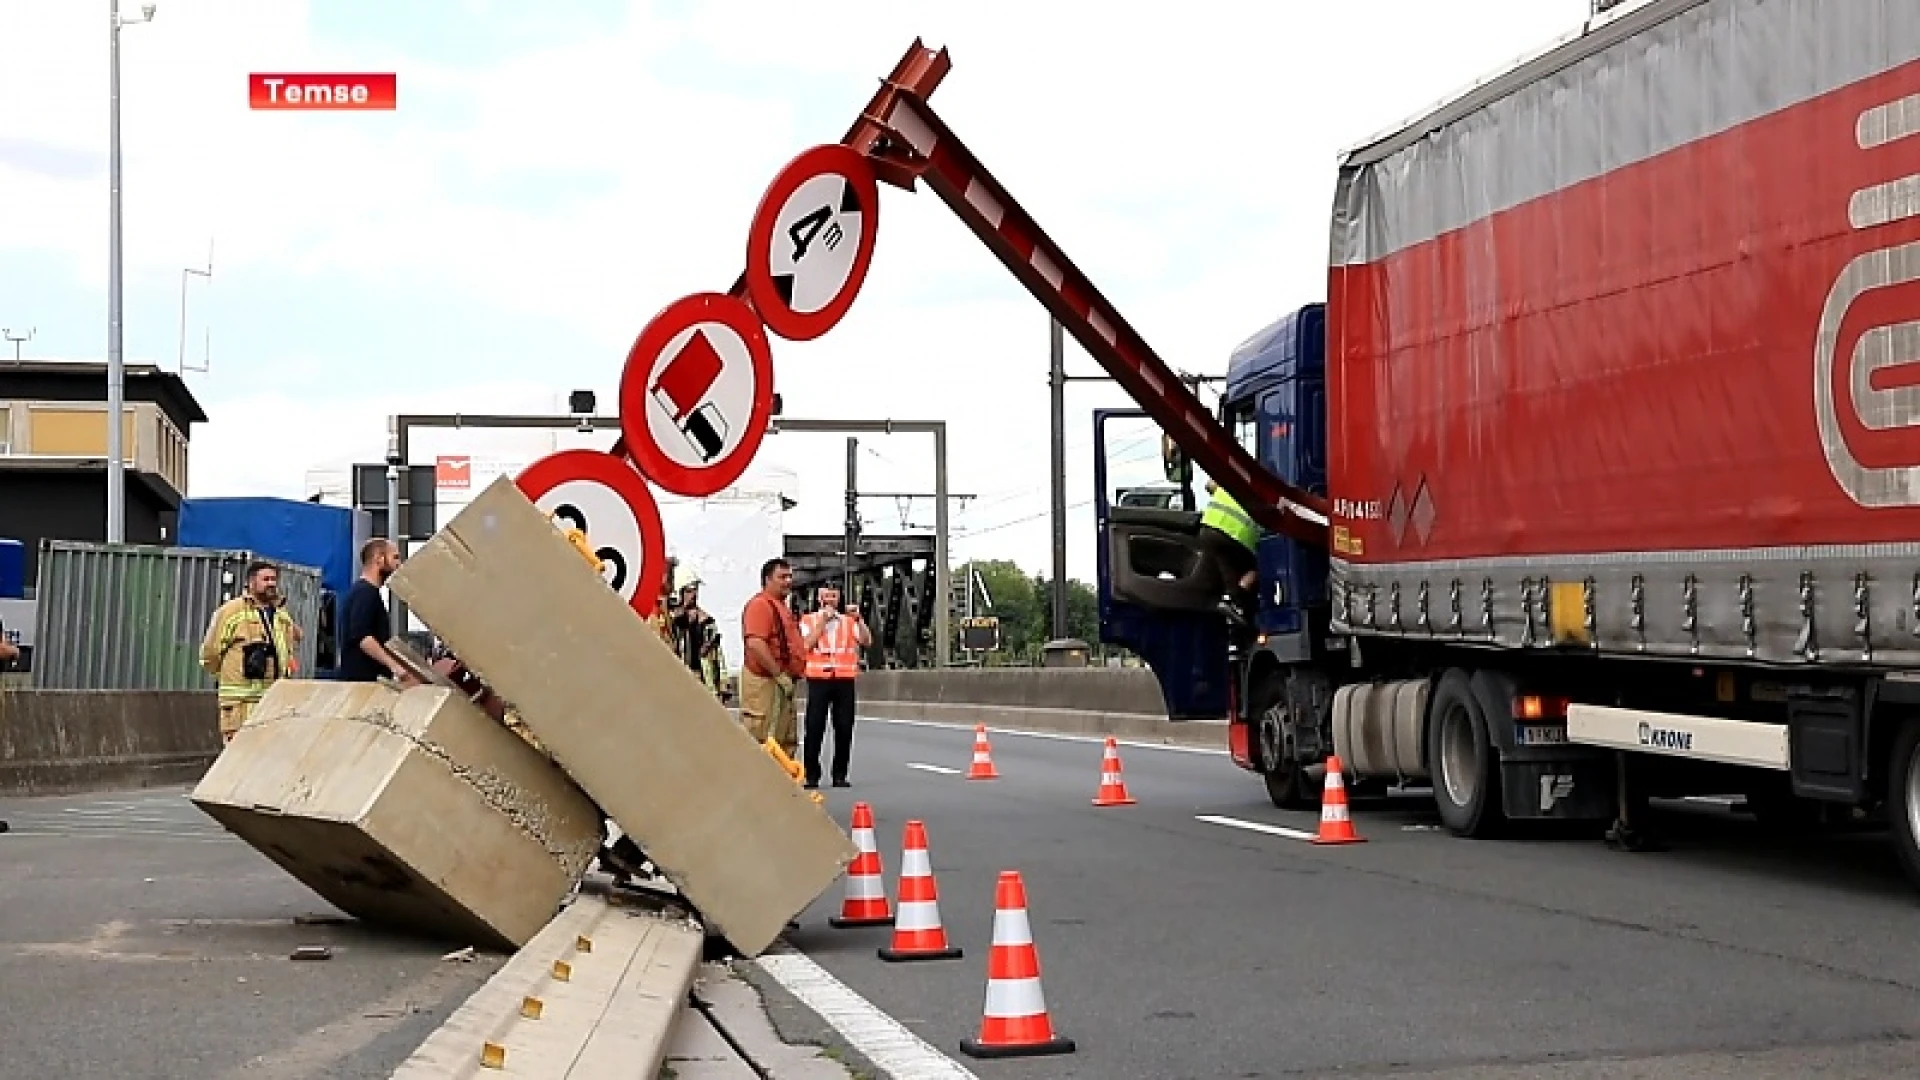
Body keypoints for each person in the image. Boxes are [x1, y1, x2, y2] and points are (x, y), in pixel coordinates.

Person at [199, 560, 300, 744]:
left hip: (271, 701)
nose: (271, 583)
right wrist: (226, 675)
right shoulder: (231, 611)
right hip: (240, 704)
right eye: (266, 579)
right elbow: (210, 652)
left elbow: (289, 646)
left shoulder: (280, 613)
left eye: (274, 579)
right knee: (237, 757)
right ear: (251, 582)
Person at [798, 584, 870, 789]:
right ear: (819, 599)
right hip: (818, 679)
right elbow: (806, 644)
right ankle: (812, 775)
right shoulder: (808, 620)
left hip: (844, 679)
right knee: (814, 728)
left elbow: (866, 641)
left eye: (833, 596)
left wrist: (859, 619)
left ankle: (840, 774)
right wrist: (822, 621)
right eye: (826, 596)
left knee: (844, 728)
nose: (830, 600)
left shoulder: (847, 622)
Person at [739, 557, 805, 756]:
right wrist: (777, 674)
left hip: (782, 682)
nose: (788, 581)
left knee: (785, 739)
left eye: (790, 577)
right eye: (782, 577)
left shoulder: (782, 607)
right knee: (763, 737)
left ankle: (783, 784)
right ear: (767, 579)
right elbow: (756, 643)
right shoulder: (760, 605)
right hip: (765, 682)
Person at [338, 538, 418, 685]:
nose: (398, 564)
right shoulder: (365, 593)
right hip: (363, 684)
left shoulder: (364, 592)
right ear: (379, 559)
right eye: (395, 557)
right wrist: (395, 667)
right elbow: (363, 638)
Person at [1198, 479, 1263, 626]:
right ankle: (1238, 600)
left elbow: (1209, 485)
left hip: (1209, 527)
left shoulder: (1232, 478)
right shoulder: (1263, 493)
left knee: (1225, 566)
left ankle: (1231, 601)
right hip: (1236, 534)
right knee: (1258, 568)